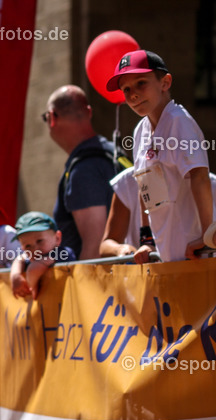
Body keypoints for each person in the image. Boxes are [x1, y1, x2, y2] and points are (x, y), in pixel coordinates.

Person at [105, 50, 216, 262]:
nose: (133, 94)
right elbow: (143, 184)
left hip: (195, 253)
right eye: (126, 89)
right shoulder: (140, 131)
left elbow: (200, 177)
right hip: (168, 255)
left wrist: (207, 235)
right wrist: (147, 241)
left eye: (141, 83)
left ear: (165, 83)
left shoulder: (179, 122)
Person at [44, 85, 122, 259]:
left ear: (52, 118)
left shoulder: (84, 169)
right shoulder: (116, 155)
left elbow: (95, 250)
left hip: (103, 282)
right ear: (89, 112)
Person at [9, 212, 75, 300]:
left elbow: (34, 269)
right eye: (27, 246)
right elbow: (20, 258)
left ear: (57, 238)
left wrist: (31, 286)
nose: (35, 249)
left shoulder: (63, 253)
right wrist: (15, 275)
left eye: (40, 241)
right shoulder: (34, 257)